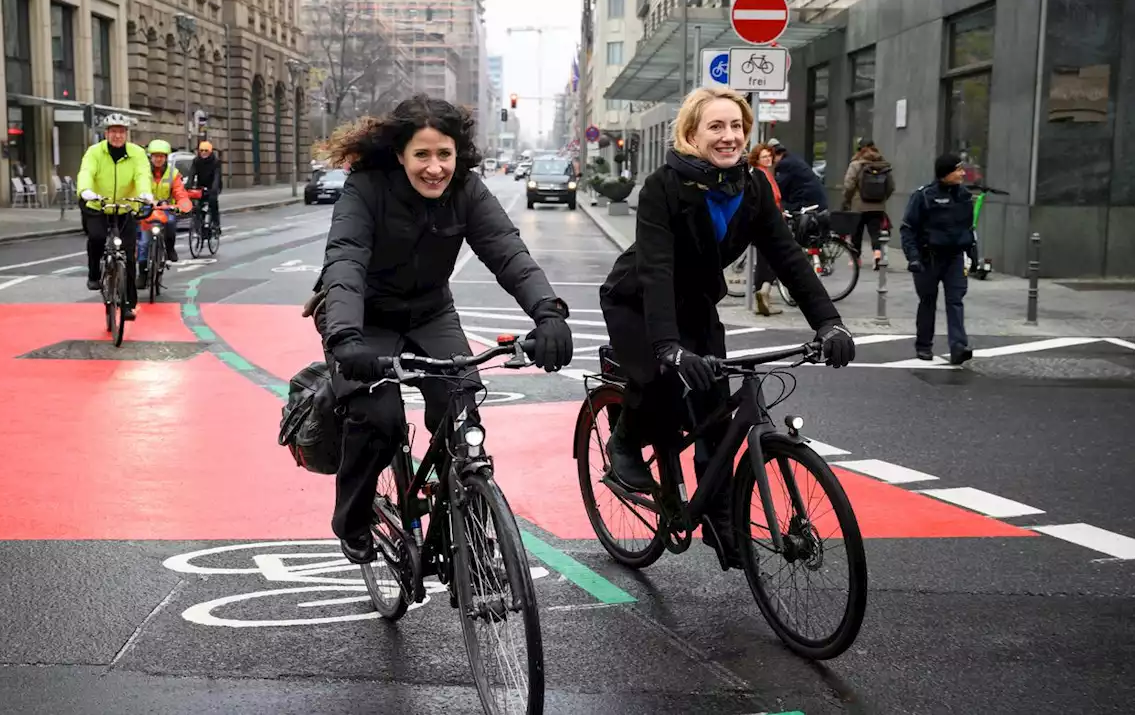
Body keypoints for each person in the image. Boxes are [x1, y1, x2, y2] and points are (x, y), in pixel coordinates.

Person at [311, 95, 576, 565]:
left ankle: (467, 526)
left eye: (444, 155)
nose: (435, 168)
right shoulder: (365, 189)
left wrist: (548, 314)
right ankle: (351, 518)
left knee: (461, 412)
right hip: (362, 318)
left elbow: (507, 251)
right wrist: (346, 338)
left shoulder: (468, 192)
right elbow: (346, 260)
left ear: (458, 154)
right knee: (379, 418)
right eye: (422, 155)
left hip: (430, 312)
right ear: (400, 154)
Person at [598, 87, 856, 567]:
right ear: (692, 133)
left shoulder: (753, 187)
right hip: (638, 301)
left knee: (716, 411)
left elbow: (789, 258)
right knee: (658, 379)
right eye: (716, 126)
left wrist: (830, 323)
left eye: (737, 126)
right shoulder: (664, 186)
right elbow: (655, 271)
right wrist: (668, 348)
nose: (729, 136)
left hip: (696, 305)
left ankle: (719, 518)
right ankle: (626, 442)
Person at [900, 154, 976, 365]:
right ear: (945, 173)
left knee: (955, 301)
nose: (962, 173)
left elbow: (969, 228)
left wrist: (972, 253)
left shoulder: (964, 196)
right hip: (928, 259)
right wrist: (913, 257)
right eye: (958, 169)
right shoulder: (923, 196)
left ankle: (958, 346)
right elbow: (908, 229)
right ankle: (924, 345)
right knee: (927, 302)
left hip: (954, 258)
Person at [77, 113, 154, 321]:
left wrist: (145, 194)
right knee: (96, 237)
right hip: (98, 205)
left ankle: (128, 304)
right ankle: (94, 274)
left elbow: (142, 175)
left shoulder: (137, 153)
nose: (117, 136)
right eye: (113, 132)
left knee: (128, 256)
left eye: (121, 132)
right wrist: (85, 191)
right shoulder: (94, 152)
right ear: (106, 133)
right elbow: (86, 172)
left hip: (124, 208)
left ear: (126, 134)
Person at [137, 139, 192, 288]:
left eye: (162, 156)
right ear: (150, 157)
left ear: (166, 157)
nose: (158, 159)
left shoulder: (173, 174)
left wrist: (183, 205)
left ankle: (169, 248)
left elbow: (180, 192)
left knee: (171, 222)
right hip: (147, 209)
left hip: (165, 208)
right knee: (143, 242)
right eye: (155, 156)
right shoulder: (142, 172)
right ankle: (142, 274)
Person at [841, 138, 895, 267]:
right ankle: (877, 254)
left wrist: (847, 199)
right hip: (877, 205)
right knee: (876, 231)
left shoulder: (856, 164)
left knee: (856, 232)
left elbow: (849, 185)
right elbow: (891, 186)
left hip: (858, 204)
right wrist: (882, 199)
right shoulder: (883, 164)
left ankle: (856, 259)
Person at [747, 142, 784, 316]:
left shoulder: (765, 174)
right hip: (767, 225)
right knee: (774, 260)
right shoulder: (761, 175)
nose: (768, 158)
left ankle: (761, 300)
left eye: (769, 155)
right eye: (764, 157)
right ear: (757, 159)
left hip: (764, 224)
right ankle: (764, 291)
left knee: (763, 262)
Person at [770, 141, 828, 212]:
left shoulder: (785, 164)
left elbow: (777, 187)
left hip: (806, 202)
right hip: (814, 201)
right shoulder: (792, 159)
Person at [189, 140, 222, 234]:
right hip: (201, 185)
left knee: (212, 201)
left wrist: (214, 189)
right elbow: (192, 173)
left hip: (213, 185)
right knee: (197, 205)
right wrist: (188, 186)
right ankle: (199, 224)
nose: (203, 153)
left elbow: (217, 176)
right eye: (201, 150)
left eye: (206, 151)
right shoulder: (196, 161)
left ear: (210, 151)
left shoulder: (215, 162)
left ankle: (216, 224)